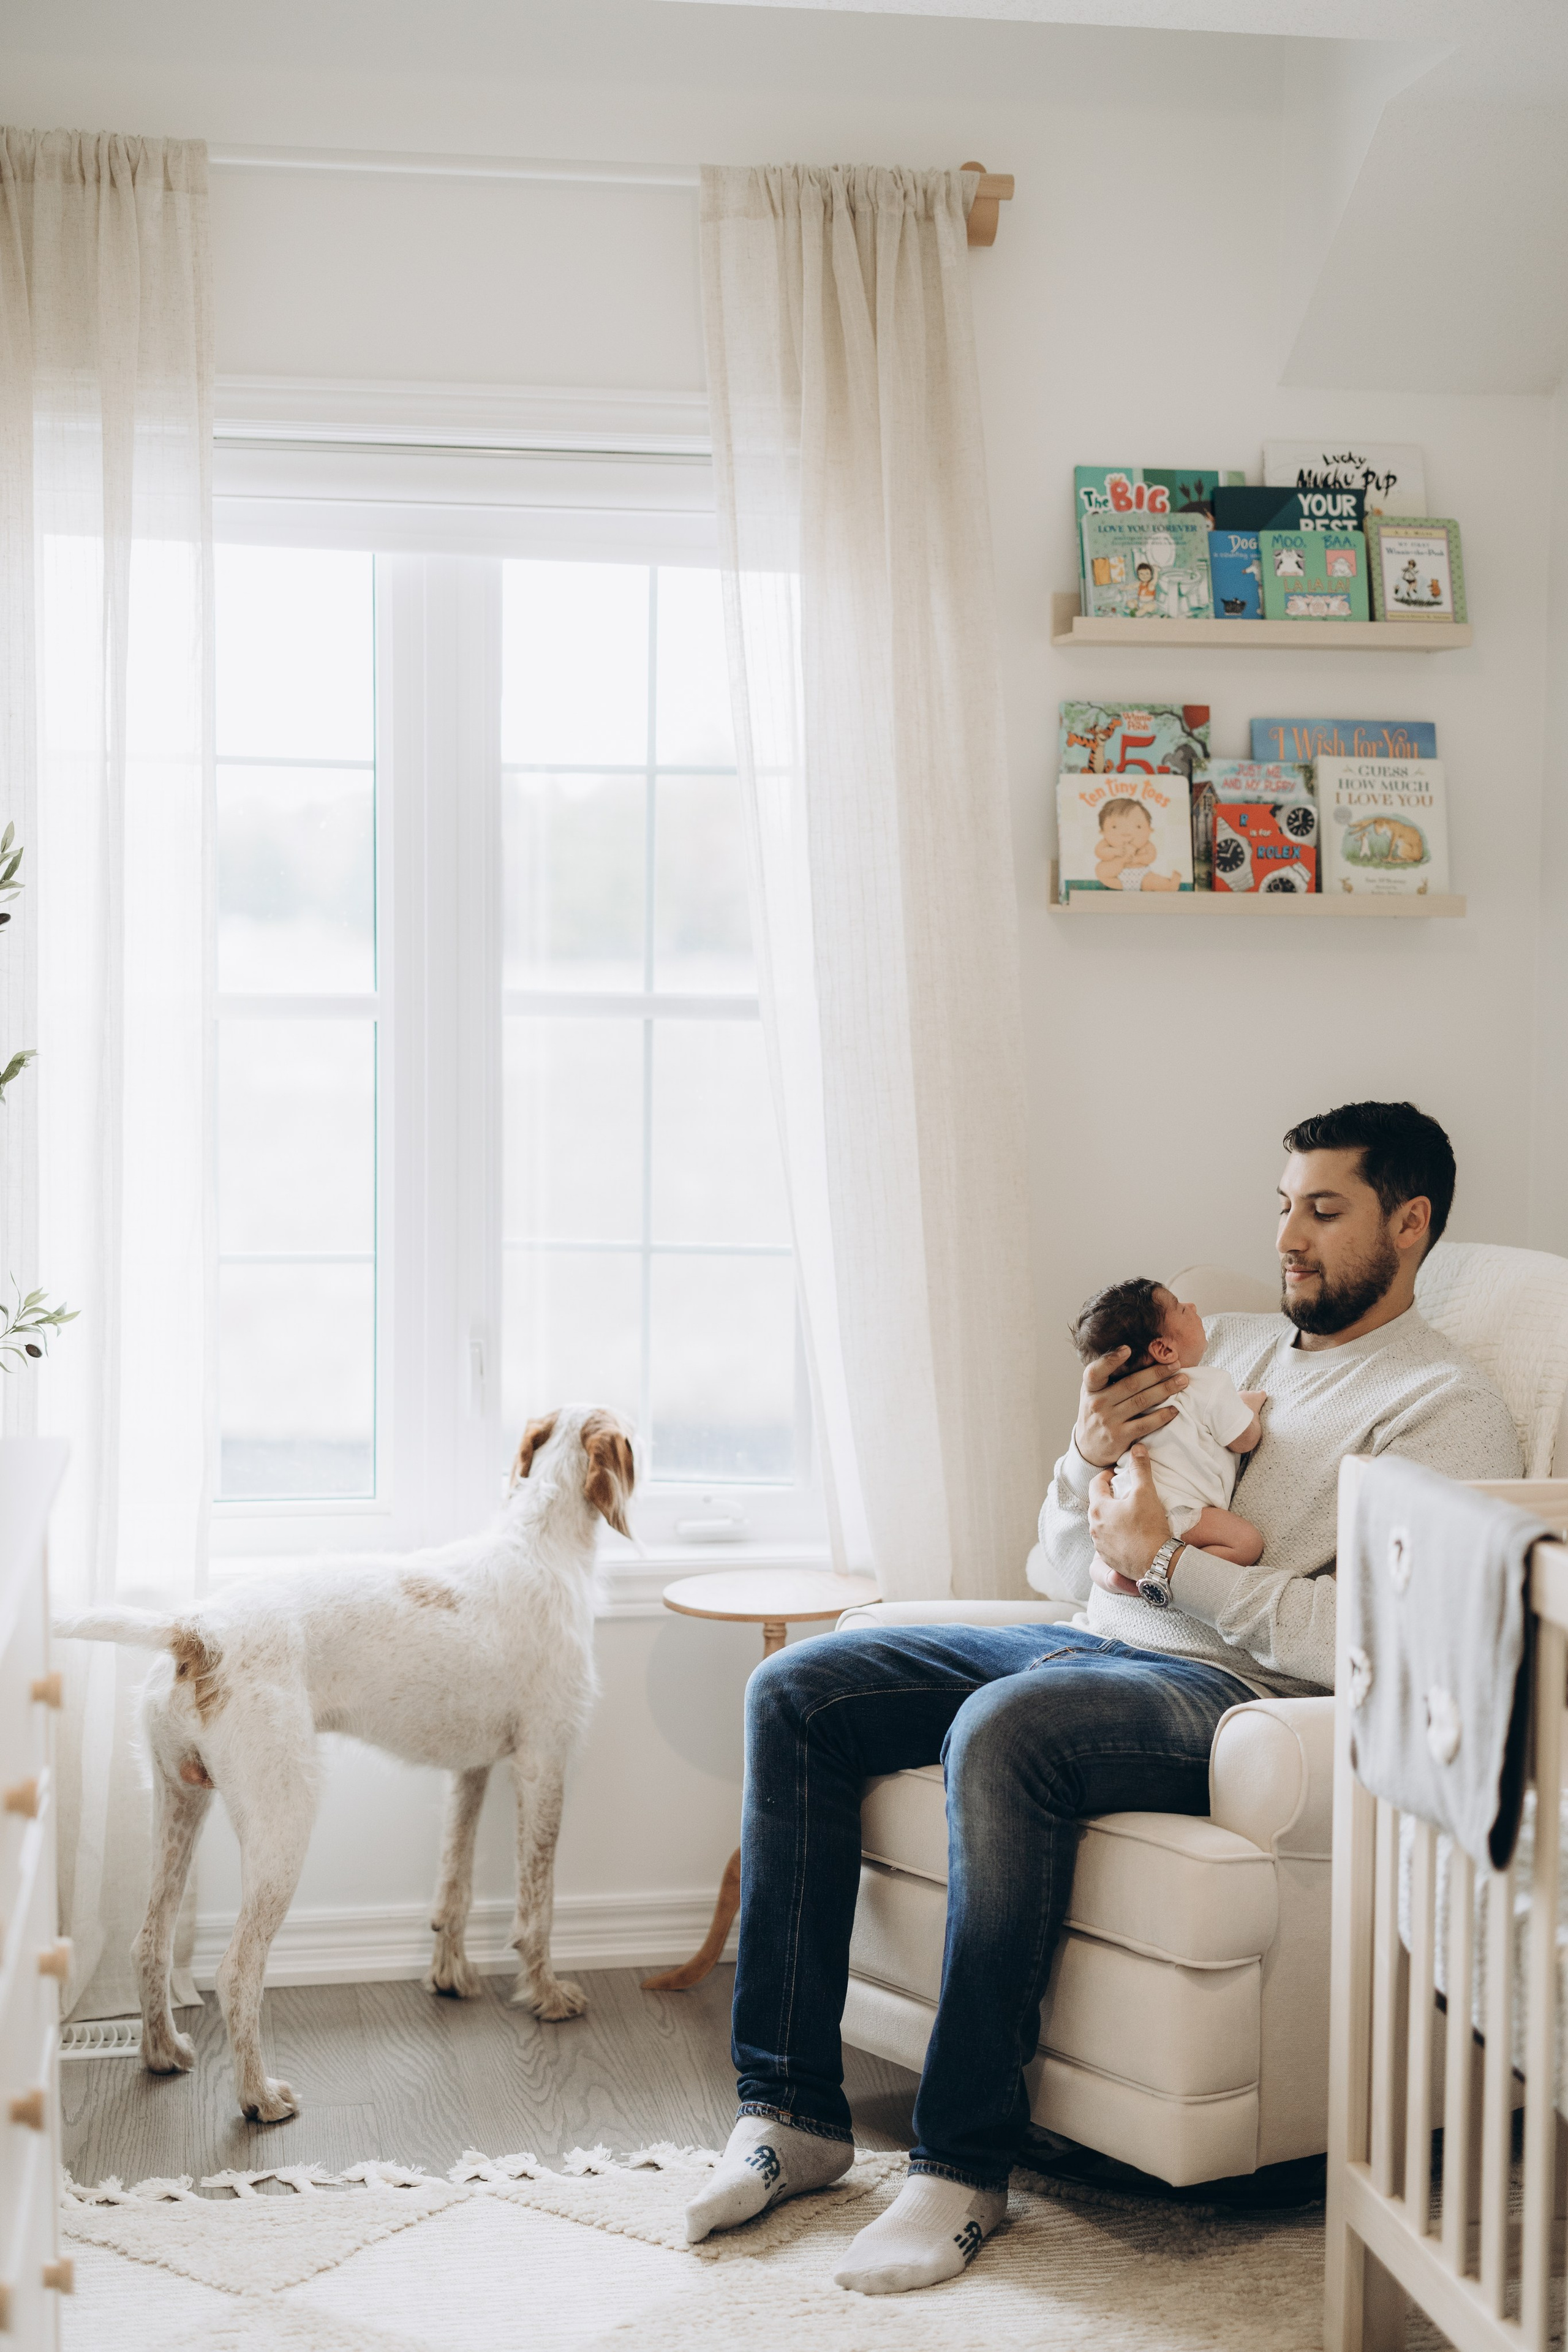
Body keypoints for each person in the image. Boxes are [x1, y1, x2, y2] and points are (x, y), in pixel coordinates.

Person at [682, 1101, 1522, 2296]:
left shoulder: (1439, 1409)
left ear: (1409, 1222)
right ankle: (792, 2113)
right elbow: (1055, 1568)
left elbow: (1394, 1643)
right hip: (1086, 1634)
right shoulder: (1212, 1345)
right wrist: (1080, 1460)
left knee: (1005, 1728)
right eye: (1281, 1204)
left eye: (1322, 1212)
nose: (1288, 1235)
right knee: (798, 1686)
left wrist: (1183, 1566)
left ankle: (960, 2167)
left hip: (1223, 1691)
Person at [1070, 1276, 1264, 1566]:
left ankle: (1117, 1577)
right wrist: (1249, 1407)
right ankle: (1169, 1570)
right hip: (1178, 1511)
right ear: (1164, 1350)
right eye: (1181, 1308)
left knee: (1101, 1562)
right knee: (1248, 1544)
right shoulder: (1209, 1384)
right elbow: (1245, 1440)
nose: (1193, 1305)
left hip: (1121, 1503)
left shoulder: (1118, 1408)